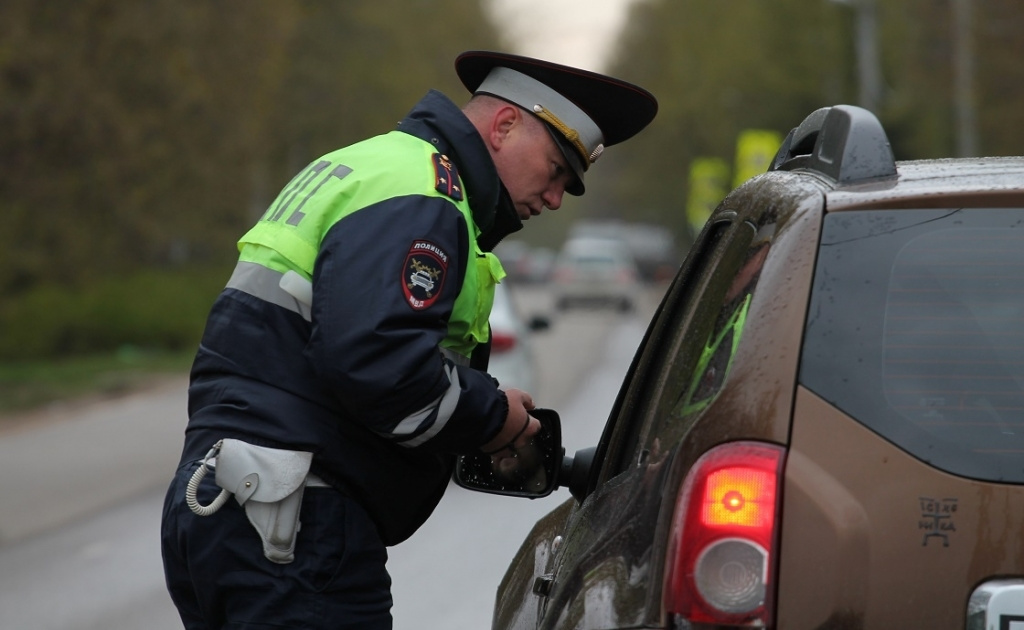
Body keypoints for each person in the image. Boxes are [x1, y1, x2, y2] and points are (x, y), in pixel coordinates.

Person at [160, 50, 657, 629]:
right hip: (294, 529)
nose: (552, 199)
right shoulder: (425, 195)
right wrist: (496, 417)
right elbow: (378, 362)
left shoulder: (367, 165)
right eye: (555, 171)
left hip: (228, 506)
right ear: (504, 126)